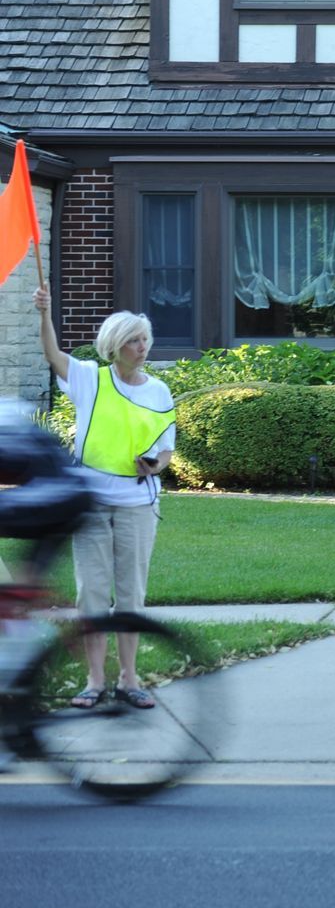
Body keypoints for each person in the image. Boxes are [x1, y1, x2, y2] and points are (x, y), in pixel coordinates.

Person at [31, 287, 176, 709]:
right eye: (133, 340)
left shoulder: (159, 392)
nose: (142, 347)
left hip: (138, 503)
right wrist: (45, 312)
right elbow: (53, 355)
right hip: (92, 503)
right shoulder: (90, 379)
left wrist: (156, 465)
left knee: (130, 595)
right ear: (114, 346)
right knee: (91, 594)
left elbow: (166, 449)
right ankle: (94, 681)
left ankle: (131, 679)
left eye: (145, 339)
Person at [0, 402, 95, 691]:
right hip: (71, 496)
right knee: (21, 589)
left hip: (57, 496)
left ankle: (14, 660)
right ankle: (19, 662)